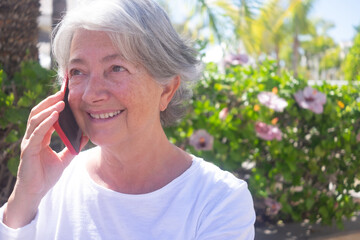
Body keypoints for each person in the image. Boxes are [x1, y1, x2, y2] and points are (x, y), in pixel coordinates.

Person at [0, 0, 255, 239]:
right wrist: (26, 194)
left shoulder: (219, 200)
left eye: (116, 68)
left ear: (166, 89)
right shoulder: (50, 187)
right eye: (78, 72)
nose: (91, 94)